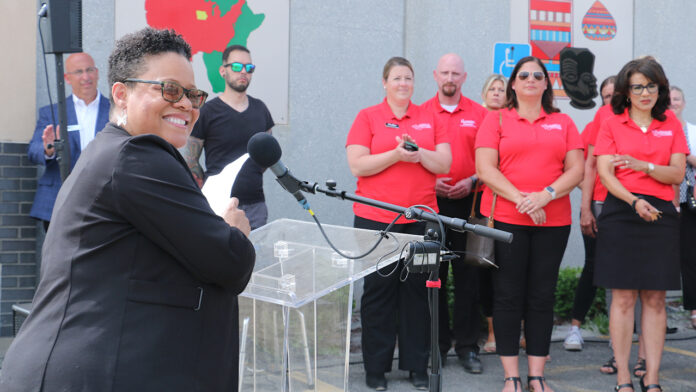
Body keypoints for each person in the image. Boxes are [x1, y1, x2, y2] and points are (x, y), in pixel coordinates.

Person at [0, 28, 256, 392]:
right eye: (169, 90)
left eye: (194, 95)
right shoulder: (138, 156)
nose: (186, 104)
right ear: (121, 94)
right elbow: (230, 262)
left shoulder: (113, 151)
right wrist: (234, 231)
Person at [475, 56, 583, 392]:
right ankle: (511, 376)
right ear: (513, 84)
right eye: (524, 75)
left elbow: (576, 170)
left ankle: (537, 375)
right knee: (508, 296)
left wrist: (545, 196)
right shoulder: (496, 120)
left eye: (539, 75)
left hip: (553, 221)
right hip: (508, 220)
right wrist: (525, 199)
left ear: (547, 84)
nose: (532, 80)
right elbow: (485, 169)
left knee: (542, 296)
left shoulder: (563, 122)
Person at [346, 56, 451, 390]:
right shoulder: (368, 117)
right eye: (396, 78)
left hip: (422, 222)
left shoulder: (429, 116)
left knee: (419, 294)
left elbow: (445, 163)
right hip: (376, 221)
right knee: (378, 295)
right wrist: (395, 155)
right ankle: (375, 369)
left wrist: (419, 154)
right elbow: (357, 166)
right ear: (384, 82)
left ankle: (417, 366)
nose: (403, 83)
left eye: (408, 78)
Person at [594, 57, 688, 392]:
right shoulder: (611, 122)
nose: (645, 92)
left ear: (660, 88)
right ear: (626, 91)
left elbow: (676, 173)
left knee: (655, 299)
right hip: (621, 210)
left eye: (651, 85)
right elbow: (606, 173)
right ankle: (623, 378)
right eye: (638, 86)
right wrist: (634, 201)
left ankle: (652, 378)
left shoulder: (671, 123)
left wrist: (642, 165)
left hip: (661, 212)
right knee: (622, 298)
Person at [420, 53, 489, 373]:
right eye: (445, 72)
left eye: (456, 73)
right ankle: (436, 346)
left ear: (464, 78)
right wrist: (432, 183)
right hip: (431, 205)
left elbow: (492, 159)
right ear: (435, 75)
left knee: (468, 278)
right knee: (433, 276)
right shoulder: (420, 114)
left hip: (471, 205)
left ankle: (467, 347)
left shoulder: (480, 114)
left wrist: (472, 180)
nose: (450, 78)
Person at [182, 44, 274, 230]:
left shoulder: (260, 110)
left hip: (255, 206)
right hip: (218, 205)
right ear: (223, 71)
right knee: (217, 257)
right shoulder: (207, 111)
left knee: (256, 257)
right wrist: (209, 189)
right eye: (237, 66)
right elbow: (191, 159)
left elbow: (266, 156)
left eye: (249, 68)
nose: (244, 72)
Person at [28, 52, 110, 230]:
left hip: (103, 202)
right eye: (79, 72)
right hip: (58, 199)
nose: (86, 77)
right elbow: (33, 151)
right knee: (56, 257)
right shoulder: (51, 112)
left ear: (97, 72)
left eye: (89, 70)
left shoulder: (115, 111)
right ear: (67, 78)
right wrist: (49, 147)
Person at [564, 75, 616, 353]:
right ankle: (575, 328)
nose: (610, 101)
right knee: (594, 266)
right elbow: (584, 167)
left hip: (627, 207)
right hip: (598, 204)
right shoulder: (597, 122)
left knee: (624, 272)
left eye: (614, 95)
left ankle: (618, 332)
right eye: (605, 96)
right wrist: (588, 203)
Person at [478, 73, 508, 355]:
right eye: (492, 89)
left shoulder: (513, 121)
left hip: (512, 203)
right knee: (486, 269)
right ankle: (491, 332)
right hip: (482, 206)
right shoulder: (479, 121)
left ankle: (516, 329)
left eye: (502, 89)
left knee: (512, 271)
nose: (497, 93)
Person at [670, 86, 696, 329]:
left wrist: (684, 154)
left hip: (692, 202)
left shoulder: (692, 132)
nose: (672, 103)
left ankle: (694, 311)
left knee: (692, 256)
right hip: (668, 201)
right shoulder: (661, 131)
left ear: (684, 103)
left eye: (676, 99)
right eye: (668, 100)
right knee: (676, 257)